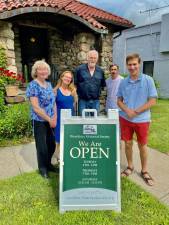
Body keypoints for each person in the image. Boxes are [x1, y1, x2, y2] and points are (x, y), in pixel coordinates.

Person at [117, 53, 158, 186]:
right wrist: (127, 110)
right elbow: (119, 100)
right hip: (125, 118)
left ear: (139, 64)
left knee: (142, 145)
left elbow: (153, 100)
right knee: (128, 144)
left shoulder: (148, 80)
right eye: (129, 64)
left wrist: (136, 111)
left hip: (142, 120)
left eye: (134, 64)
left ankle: (144, 170)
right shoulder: (123, 81)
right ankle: (130, 167)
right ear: (127, 66)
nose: (132, 67)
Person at [26, 60, 57, 179]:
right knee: (42, 146)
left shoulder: (48, 84)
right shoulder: (32, 85)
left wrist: (54, 117)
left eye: (45, 69)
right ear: (36, 72)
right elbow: (35, 107)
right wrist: (49, 119)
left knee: (51, 145)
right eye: (40, 69)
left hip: (50, 119)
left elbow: (53, 102)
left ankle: (48, 164)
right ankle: (43, 169)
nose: (43, 71)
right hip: (39, 120)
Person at [53, 71, 78, 160]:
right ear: (62, 77)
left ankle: (68, 155)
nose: (68, 79)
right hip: (59, 117)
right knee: (59, 138)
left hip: (70, 117)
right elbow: (53, 106)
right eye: (66, 77)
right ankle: (58, 156)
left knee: (69, 136)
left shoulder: (73, 90)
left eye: (70, 78)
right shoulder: (56, 91)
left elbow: (74, 105)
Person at [74, 50, 105, 116]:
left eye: (94, 58)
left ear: (97, 59)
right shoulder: (79, 69)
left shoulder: (100, 71)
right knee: (83, 123)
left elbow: (102, 85)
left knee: (95, 123)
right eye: (91, 57)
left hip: (95, 101)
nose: (92, 60)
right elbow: (75, 84)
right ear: (87, 58)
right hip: (83, 101)